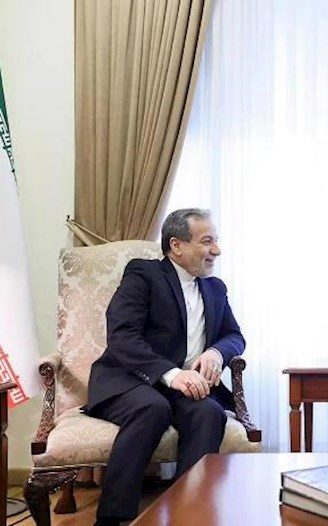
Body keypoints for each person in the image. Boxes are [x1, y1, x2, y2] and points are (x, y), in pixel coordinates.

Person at [85, 208, 245, 526]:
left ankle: (189, 513)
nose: (217, 250)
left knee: (209, 413)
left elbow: (234, 336)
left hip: (184, 387)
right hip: (129, 380)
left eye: (216, 241)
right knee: (152, 407)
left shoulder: (215, 288)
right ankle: (112, 519)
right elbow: (122, 336)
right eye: (207, 241)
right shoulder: (143, 274)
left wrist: (216, 353)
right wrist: (172, 375)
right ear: (176, 245)